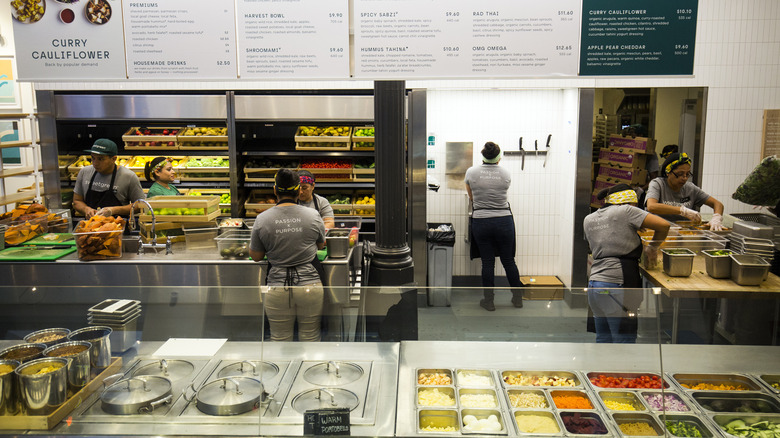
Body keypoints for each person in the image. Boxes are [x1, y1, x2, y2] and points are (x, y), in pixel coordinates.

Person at [584, 184, 670, 343]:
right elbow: (664, 225)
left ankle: (602, 368)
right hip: (616, 284)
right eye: (637, 206)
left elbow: (610, 239)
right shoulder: (626, 211)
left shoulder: (589, 219)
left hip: (595, 286)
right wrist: (652, 247)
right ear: (630, 202)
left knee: (603, 339)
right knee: (623, 342)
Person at [249, 169, 327, 342]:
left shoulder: (262, 219)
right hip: (310, 284)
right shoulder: (313, 215)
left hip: (277, 286)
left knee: (280, 339)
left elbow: (256, 256)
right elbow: (321, 245)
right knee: (310, 337)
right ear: (298, 190)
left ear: (275, 190)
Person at [465, 141, 523, 311]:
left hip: (481, 220)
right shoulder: (505, 173)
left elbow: (472, 197)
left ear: (483, 155)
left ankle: (489, 301)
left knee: (487, 262)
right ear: (499, 157)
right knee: (508, 260)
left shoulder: (471, 172)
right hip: (504, 220)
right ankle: (518, 298)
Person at [646, 152, 725, 230]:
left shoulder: (690, 188)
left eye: (687, 174)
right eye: (680, 174)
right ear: (668, 172)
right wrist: (682, 210)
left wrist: (717, 218)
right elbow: (651, 206)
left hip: (682, 232)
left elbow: (717, 204)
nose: (684, 178)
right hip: (658, 230)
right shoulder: (658, 184)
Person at [72, 138, 145, 219]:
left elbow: (140, 205)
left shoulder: (129, 176)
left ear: (113, 159)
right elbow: (77, 201)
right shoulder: (84, 172)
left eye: (100, 159)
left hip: (118, 228)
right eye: (93, 158)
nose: (95, 163)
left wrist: (113, 210)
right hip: (91, 228)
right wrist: (86, 209)